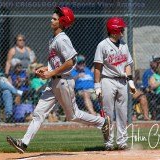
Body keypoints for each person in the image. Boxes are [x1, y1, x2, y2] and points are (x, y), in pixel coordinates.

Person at [6, 6, 110, 154]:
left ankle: (103, 122)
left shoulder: (62, 39)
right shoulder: (53, 39)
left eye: (55, 19)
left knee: (73, 116)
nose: (51, 20)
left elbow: (70, 62)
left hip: (64, 81)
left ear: (62, 22)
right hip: (54, 81)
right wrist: (46, 69)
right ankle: (23, 143)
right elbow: (58, 62)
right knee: (38, 113)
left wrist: (51, 73)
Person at [94, 17, 135, 150]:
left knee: (123, 113)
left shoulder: (124, 44)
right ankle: (108, 143)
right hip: (108, 80)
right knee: (108, 114)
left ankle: (122, 142)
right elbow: (98, 67)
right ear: (113, 30)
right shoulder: (102, 45)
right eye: (120, 29)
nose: (122, 31)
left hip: (122, 81)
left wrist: (130, 81)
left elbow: (128, 64)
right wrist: (97, 85)